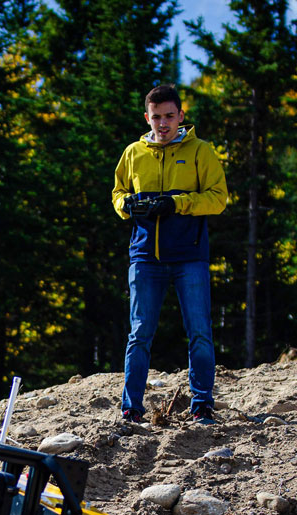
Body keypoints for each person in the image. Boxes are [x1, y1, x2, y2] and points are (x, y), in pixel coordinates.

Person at [112, 84, 227, 425]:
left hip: (189, 256)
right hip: (144, 256)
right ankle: (131, 409)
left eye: (169, 116)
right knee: (139, 334)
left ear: (181, 116)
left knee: (200, 332)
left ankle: (202, 405)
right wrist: (126, 205)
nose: (163, 124)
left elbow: (218, 198)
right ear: (147, 118)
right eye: (156, 117)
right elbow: (118, 192)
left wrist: (176, 203)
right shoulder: (133, 153)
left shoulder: (200, 151)